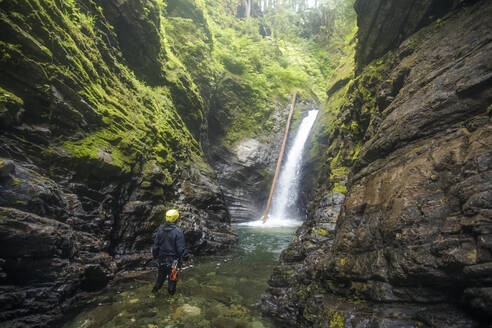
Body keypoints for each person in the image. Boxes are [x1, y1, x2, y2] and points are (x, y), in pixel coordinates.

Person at [151, 209, 190, 295]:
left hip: (161, 260)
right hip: (174, 262)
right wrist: (186, 259)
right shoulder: (178, 231)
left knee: (159, 282)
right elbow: (181, 248)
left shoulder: (160, 230)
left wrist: (155, 257)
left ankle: (152, 295)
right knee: (172, 284)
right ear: (176, 219)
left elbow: (155, 246)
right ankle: (171, 302)